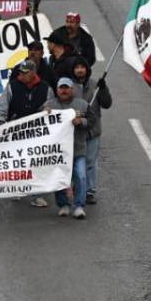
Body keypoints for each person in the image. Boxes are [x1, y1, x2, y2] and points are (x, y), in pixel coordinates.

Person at [0, 59, 53, 207]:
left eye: (25, 73)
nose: (21, 75)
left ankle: (36, 195)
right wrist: (0, 123)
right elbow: (1, 107)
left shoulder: (46, 89)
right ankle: (16, 188)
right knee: (16, 162)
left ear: (33, 73)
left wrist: (48, 112)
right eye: (20, 72)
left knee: (36, 164)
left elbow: (51, 108)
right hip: (15, 133)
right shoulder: (12, 86)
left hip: (36, 134)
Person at [44, 78, 93, 219]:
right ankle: (63, 205)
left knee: (81, 176)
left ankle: (78, 206)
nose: (64, 90)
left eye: (66, 88)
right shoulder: (49, 105)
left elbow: (92, 122)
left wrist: (81, 121)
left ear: (72, 89)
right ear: (57, 90)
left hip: (77, 149)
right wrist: (43, 114)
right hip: (58, 151)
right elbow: (38, 124)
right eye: (61, 88)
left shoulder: (82, 105)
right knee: (59, 178)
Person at [72, 57, 112, 205]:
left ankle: (89, 191)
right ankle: (77, 185)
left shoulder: (95, 85)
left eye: (83, 67)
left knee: (90, 162)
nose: (80, 70)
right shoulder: (68, 87)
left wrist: (104, 89)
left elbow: (107, 104)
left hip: (92, 131)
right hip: (75, 132)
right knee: (75, 161)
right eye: (77, 67)